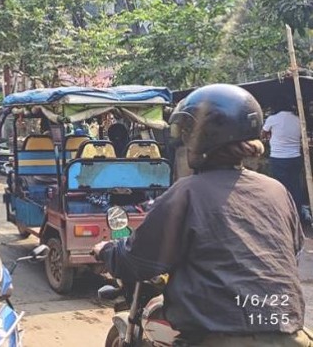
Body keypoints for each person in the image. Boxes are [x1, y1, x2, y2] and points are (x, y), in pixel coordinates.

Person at [93, 84, 310, 346]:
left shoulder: (186, 193)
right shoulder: (276, 190)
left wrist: (106, 250)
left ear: (201, 138)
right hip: (292, 334)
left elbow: (136, 260)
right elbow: (293, 250)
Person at [262, 103, 304, 215]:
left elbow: (263, 134)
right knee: (295, 185)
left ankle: (282, 213)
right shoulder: (298, 120)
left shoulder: (272, 119)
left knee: (279, 186)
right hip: (295, 157)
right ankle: (297, 212)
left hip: (279, 158)